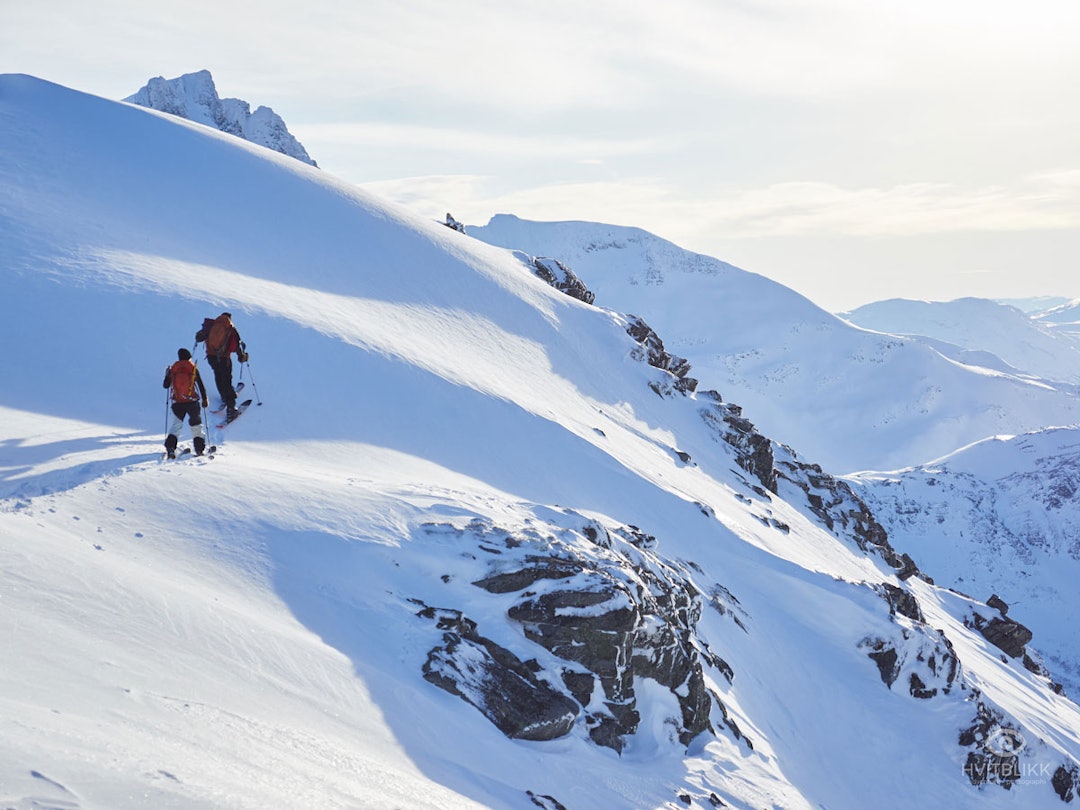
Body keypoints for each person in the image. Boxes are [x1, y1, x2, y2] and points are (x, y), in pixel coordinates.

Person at [195, 311, 248, 423]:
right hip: (224, 358)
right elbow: (237, 345)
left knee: (218, 375)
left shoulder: (211, 325)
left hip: (211, 357)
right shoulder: (230, 328)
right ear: (229, 318)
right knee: (227, 379)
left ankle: (224, 396)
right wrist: (241, 357)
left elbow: (199, 337)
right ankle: (231, 408)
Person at [163, 348, 209, 458]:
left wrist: (167, 374)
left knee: (176, 426)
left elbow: (165, 385)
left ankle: (170, 449)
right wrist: (204, 399)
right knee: (196, 426)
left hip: (177, 402)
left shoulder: (173, 368)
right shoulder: (192, 367)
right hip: (192, 402)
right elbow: (201, 385)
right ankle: (199, 450)